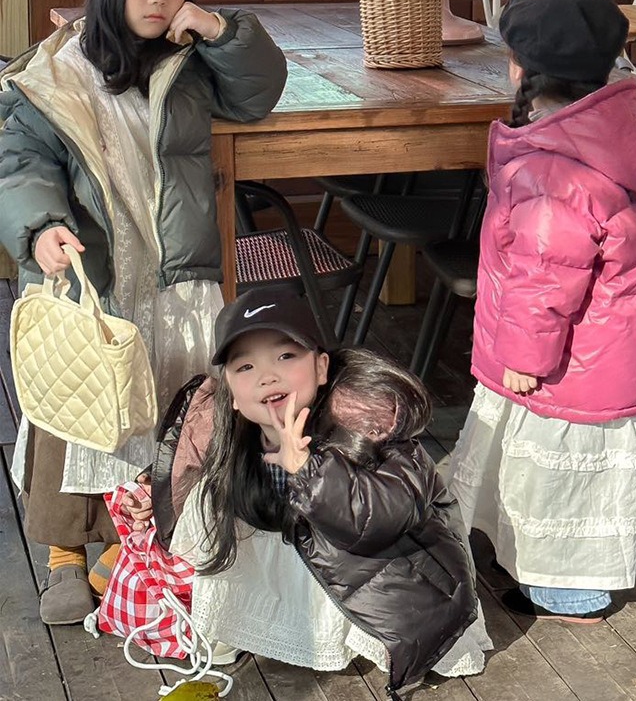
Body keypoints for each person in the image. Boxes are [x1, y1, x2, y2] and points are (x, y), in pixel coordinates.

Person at [0, 0, 287, 626]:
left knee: (165, 414)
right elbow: (19, 163)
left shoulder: (191, 64)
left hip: (173, 275)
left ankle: (135, 542)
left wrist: (219, 30)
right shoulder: (52, 76)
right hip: (88, 281)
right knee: (74, 411)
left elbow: (259, 93)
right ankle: (65, 552)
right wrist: (40, 227)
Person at [445, 0, 636, 623]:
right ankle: (545, 565)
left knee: (559, 475)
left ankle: (566, 589)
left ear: (519, 69)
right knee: (571, 473)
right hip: (604, 352)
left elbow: (545, 276)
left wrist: (523, 356)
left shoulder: (552, 167)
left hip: (570, 364)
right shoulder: (604, 137)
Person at [168, 288, 490, 697]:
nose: (267, 376)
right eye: (245, 366)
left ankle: (357, 639)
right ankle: (244, 623)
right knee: (212, 499)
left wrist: (309, 472)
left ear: (321, 367)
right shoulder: (237, 441)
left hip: (390, 578)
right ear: (229, 392)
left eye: (286, 356)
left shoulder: (367, 429)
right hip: (308, 567)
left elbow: (386, 517)